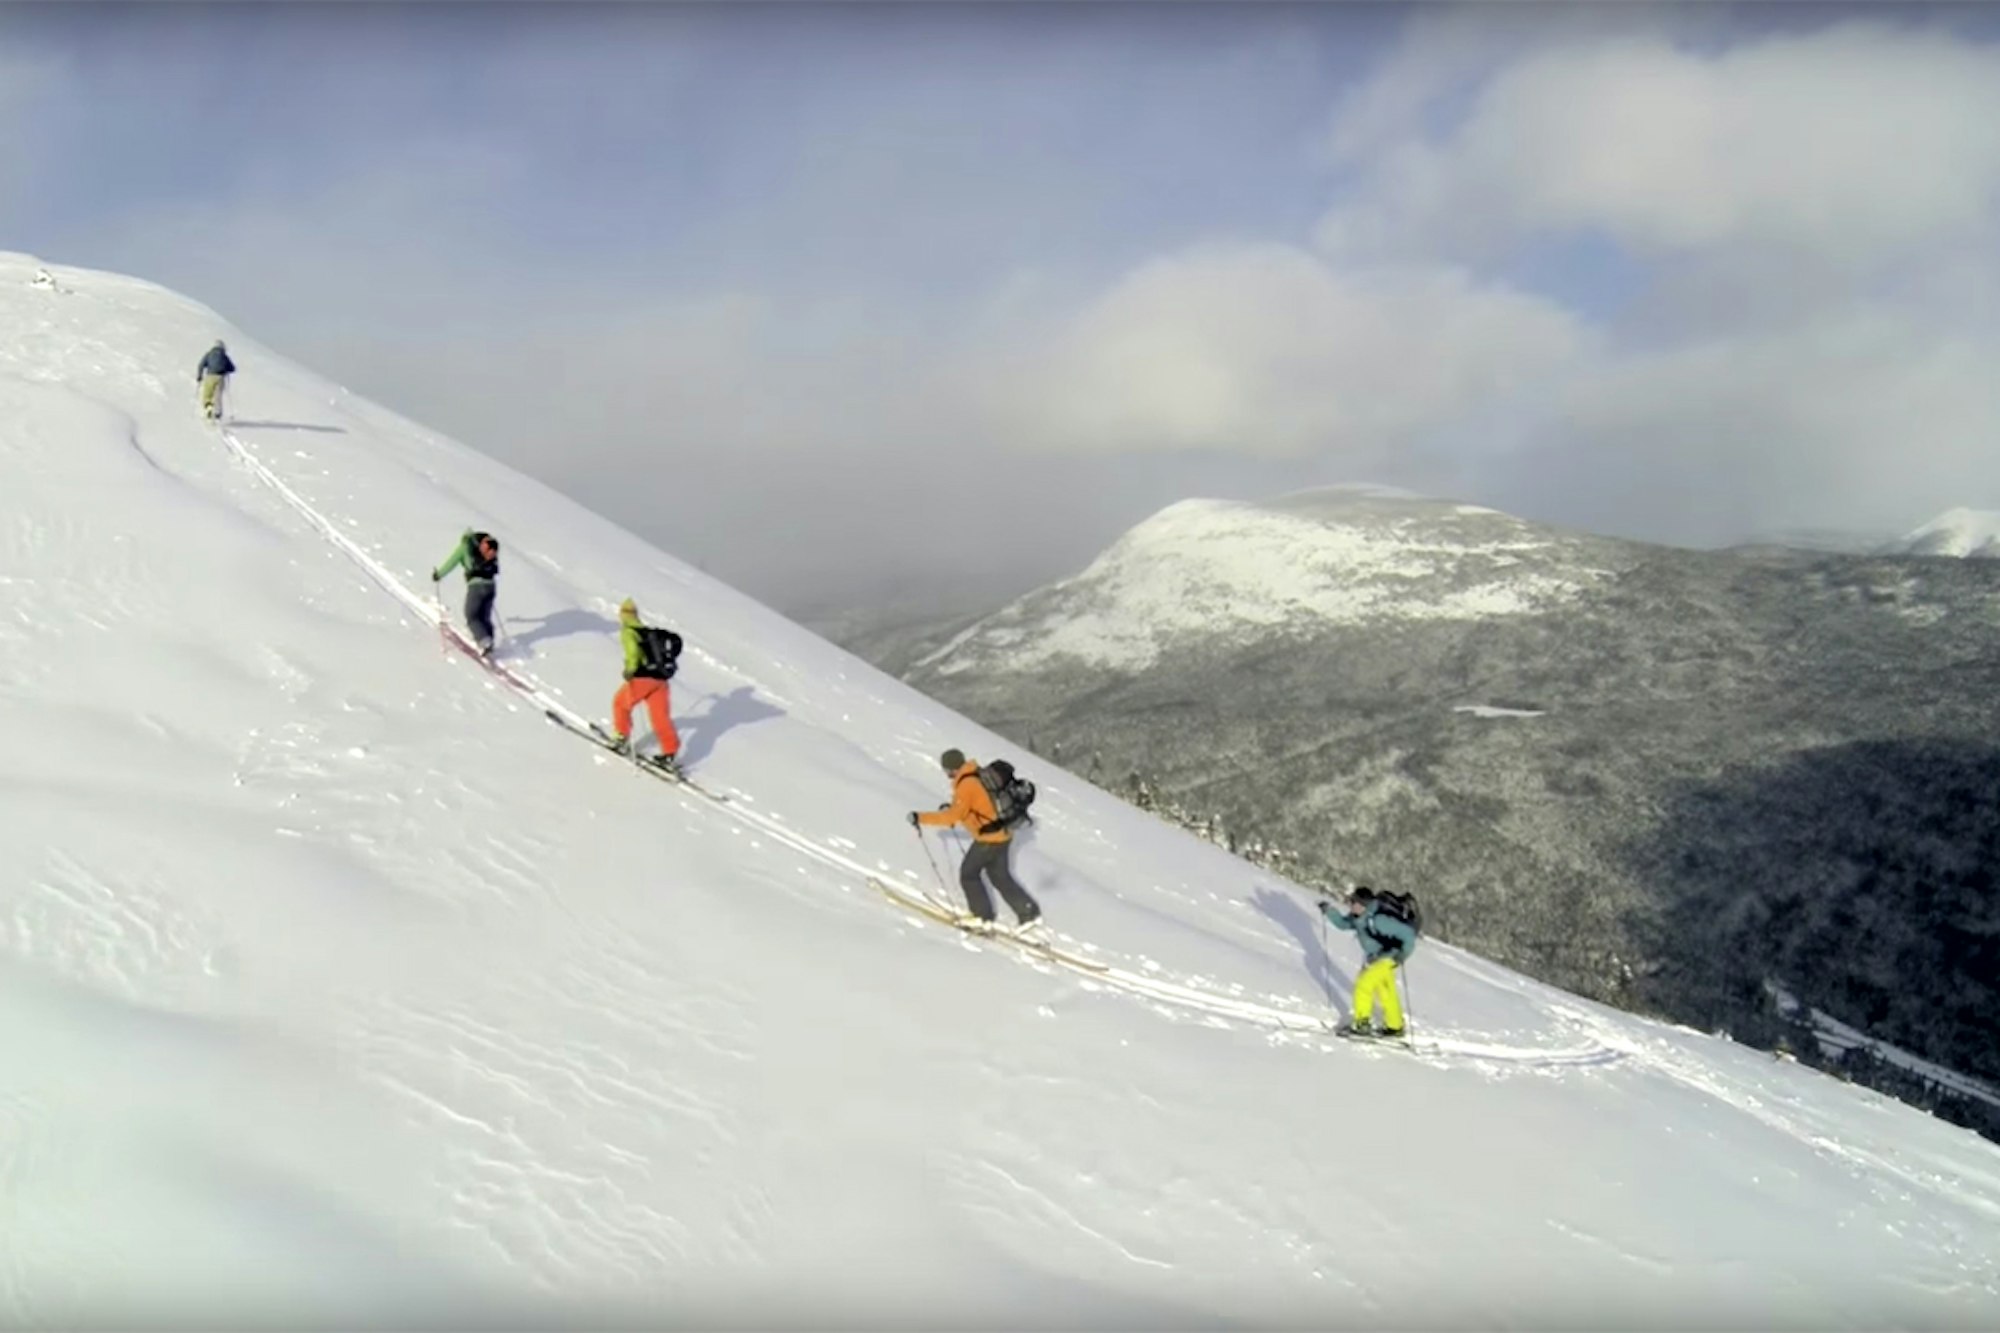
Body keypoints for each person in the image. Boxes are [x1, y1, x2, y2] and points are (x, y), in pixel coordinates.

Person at [911, 750, 1041, 928]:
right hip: (1003, 835)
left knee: (968, 874)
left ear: (952, 768)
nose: (947, 774)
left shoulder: (966, 785)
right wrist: (954, 807)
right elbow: (979, 805)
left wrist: (920, 818)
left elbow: (952, 817)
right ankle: (1029, 913)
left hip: (989, 839)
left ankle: (981, 917)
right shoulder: (977, 773)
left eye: (947, 770)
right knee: (1000, 877)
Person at [1319, 886, 1418, 1036]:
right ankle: (1395, 1026)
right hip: (1376, 958)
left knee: (1363, 984)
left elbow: (1408, 935)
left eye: (1354, 902)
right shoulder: (1359, 917)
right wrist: (1329, 911)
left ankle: (1361, 1024)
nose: (1351, 905)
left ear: (1363, 904)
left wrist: (1402, 956)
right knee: (1385, 991)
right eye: (1351, 902)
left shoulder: (1379, 920)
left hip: (1387, 957)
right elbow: (1344, 924)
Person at [610, 597, 682, 770]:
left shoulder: (628, 631)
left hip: (643, 678)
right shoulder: (648, 632)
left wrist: (630, 670)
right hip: (661, 681)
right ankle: (669, 753)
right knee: (660, 717)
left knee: (620, 704)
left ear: (623, 615)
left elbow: (633, 652)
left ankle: (621, 738)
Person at [431, 529, 501, 656]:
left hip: (476, 586)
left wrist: (438, 574)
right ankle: (489, 641)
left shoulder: (465, 547)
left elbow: (452, 562)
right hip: (491, 586)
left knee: (472, 616)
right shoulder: (490, 545)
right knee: (484, 617)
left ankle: (484, 641)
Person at [196, 339, 236, 421]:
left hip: (210, 376)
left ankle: (208, 407)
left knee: (207, 394)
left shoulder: (209, 354)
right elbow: (232, 368)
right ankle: (218, 413)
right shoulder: (224, 356)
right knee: (218, 395)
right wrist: (226, 369)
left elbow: (201, 365)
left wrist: (199, 376)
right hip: (220, 377)